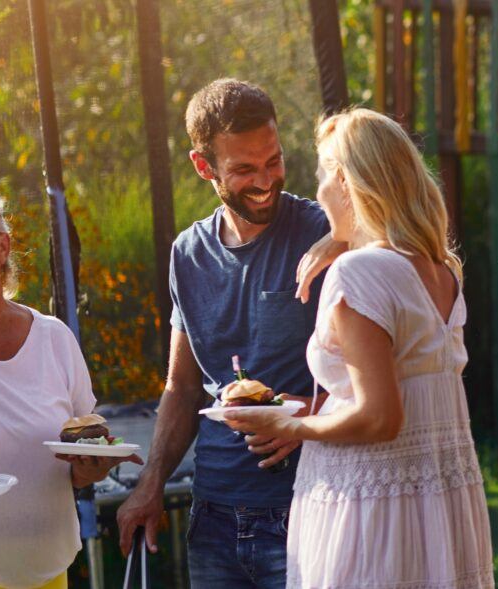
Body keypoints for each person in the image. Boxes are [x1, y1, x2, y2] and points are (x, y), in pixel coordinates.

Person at [222, 108, 493, 588]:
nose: (318, 190)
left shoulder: (358, 274)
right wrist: (341, 238)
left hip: (369, 516)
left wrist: (285, 423)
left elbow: (379, 418)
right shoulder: (440, 270)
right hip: (431, 517)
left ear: (346, 182)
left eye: (324, 175)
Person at [115, 79, 334, 588]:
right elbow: (183, 385)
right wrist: (151, 482)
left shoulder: (323, 232)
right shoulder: (187, 253)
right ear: (202, 166)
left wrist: (310, 411)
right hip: (212, 515)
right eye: (243, 169)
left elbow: (383, 373)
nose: (265, 181)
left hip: (307, 503)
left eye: (273, 161)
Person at [0, 182, 140, 589]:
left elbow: (73, 462)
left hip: (50, 569)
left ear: (2, 247)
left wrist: (89, 469)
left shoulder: (54, 339)